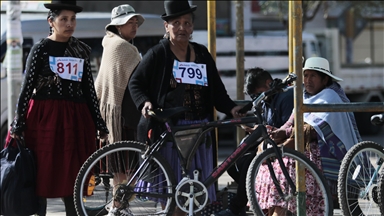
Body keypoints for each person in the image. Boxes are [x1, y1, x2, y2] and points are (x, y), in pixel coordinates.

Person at [129, 0, 243, 214]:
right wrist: (144, 102)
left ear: (192, 27)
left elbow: (217, 91)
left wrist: (232, 109)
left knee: (196, 192)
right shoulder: (158, 54)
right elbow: (135, 83)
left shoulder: (201, 54)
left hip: (200, 130)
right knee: (175, 192)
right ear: (167, 26)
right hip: (172, 132)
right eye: (176, 23)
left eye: (187, 23)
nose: (182, 28)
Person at [6, 1, 109, 215]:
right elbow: (27, 88)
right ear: (51, 22)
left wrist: (99, 122)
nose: (69, 23)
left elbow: (88, 88)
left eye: (73, 19)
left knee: (72, 175)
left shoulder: (80, 50)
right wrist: (19, 121)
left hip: (74, 119)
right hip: (45, 118)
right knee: (41, 171)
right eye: (64, 19)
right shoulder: (41, 49)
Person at [255, 57, 362, 215]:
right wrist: (275, 132)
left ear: (324, 79)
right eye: (305, 75)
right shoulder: (303, 97)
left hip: (322, 153)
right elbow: (291, 122)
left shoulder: (330, 97)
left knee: (286, 167)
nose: (307, 80)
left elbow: (314, 129)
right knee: (266, 166)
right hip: (301, 147)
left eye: (313, 76)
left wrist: (285, 133)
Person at [216, 67, 294, 216]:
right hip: (269, 141)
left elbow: (287, 130)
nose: (256, 99)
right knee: (231, 163)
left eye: (257, 94)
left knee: (248, 162)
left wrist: (265, 132)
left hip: (281, 145)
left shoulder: (285, 97)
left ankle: (237, 207)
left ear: (268, 83)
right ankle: (252, 195)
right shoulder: (267, 99)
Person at [94, 4, 144, 215]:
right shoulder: (124, 48)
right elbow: (138, 80)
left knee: (119, 168)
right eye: (128, 22)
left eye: (135, 22)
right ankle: (118, 206)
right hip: (122, 114)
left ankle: (118, 206)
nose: (133, 26)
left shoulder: (109, 43)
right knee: (127, 167)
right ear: (117, 26)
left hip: (112, 114)